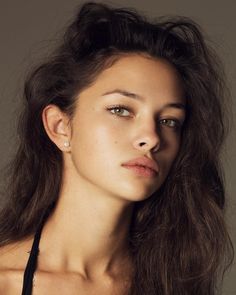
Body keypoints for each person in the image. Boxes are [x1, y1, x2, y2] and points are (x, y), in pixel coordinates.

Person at [0, 2, 233, 294]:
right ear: (61, 126)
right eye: (121, 110)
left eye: (169, 121)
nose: (151, 137)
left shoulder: (179, 282)